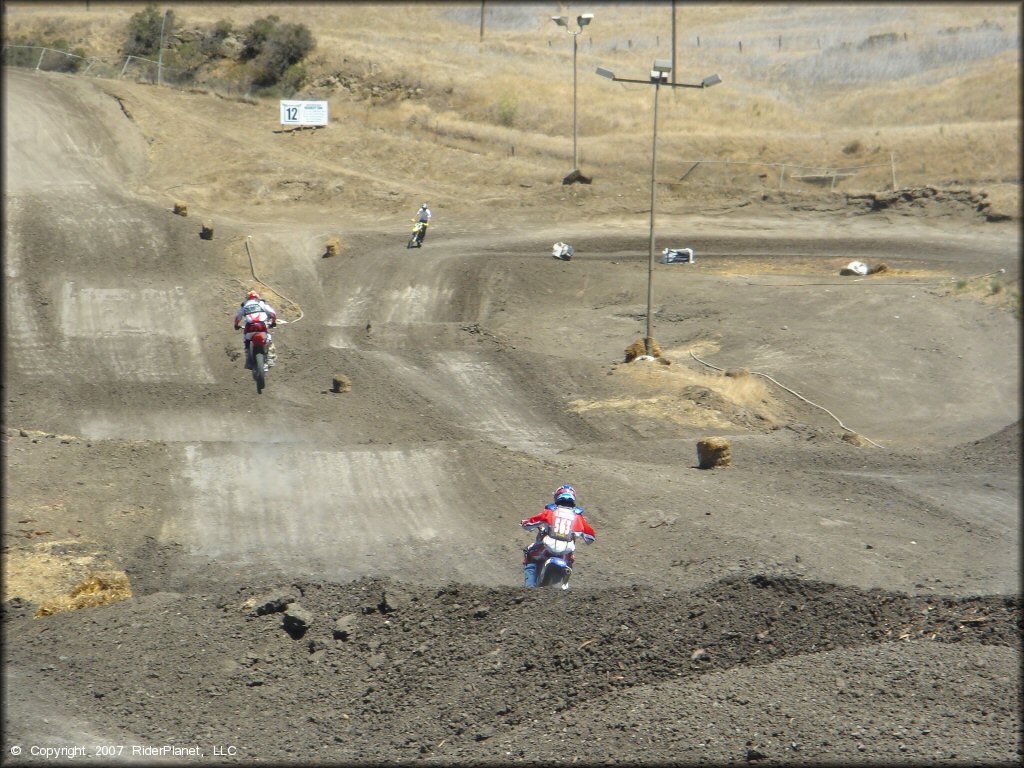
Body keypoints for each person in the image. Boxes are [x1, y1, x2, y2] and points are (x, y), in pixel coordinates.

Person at [520, 485, 596, 587]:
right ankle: (564, 586)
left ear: (557, 497)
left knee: (529, 552)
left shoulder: (550, 511)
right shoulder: (578, 516)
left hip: (547, 548)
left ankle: (530, 586)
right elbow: (590, 537)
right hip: (565, 553)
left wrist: (524, 523)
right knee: (570, 560)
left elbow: (530, 523)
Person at [233, 290, 277, 370]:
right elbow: (272, 313)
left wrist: (236, 325)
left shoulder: (245, 306)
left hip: (250, 328)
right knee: (268, 340)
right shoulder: (261, 303)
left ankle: (248, 360)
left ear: (247, 298)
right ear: (257, 297)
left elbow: (238, 317)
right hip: (261, 326)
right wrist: (273, 322)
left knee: (246, 341)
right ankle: (270, 359)